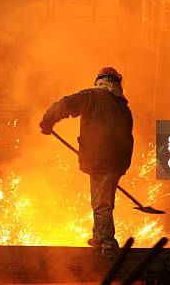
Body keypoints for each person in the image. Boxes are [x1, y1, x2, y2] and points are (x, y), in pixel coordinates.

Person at [39, 67, 134, 259]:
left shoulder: (93, 95)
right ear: (117, 84)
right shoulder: (123, 107)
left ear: (100, 81)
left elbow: (66, 103)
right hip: (117, 162)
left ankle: (107, 245)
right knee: (105, 201)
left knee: (101, 205)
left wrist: (47, 121)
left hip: (101, 159)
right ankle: (99, 238)